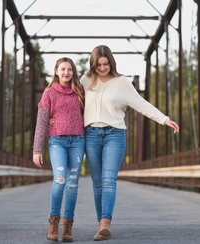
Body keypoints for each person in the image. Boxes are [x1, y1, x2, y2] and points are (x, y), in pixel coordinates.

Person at [81, 45, 179, 241]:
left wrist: (164, 119)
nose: (102, 68)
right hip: (91, 134)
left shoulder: (122, 83)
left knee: (109, 180)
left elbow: (141, 104)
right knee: (97, 182)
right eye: (98, 65)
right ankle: (100, 221)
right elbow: (70, 102)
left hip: (114, 135)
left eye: (105, 64)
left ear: (111, 62)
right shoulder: (85, 80)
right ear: (93, 65)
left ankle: (105, 223)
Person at [32, 57, 85, 242]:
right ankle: (53, 221)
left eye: (70, 69)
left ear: (73, 72)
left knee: (72, 183)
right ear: (56, 71)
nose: (66, 73)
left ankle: (68, 225)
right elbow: (41, 122)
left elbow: (91, 113)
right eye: (63, 69)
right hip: (57, 141)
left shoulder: (80, 92)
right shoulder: (49, 93)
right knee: (60, 179)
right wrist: (36, 149)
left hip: (78, 140)